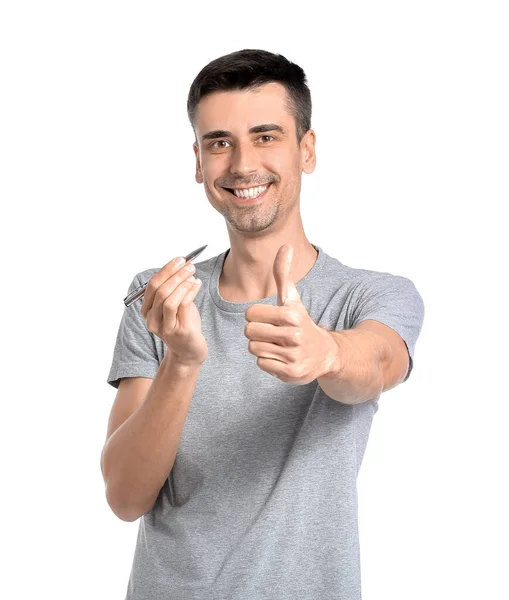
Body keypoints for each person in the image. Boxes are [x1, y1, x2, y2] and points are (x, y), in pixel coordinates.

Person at [102, 49, 425, 600]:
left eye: (267, 136)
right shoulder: (160, 297)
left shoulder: (370, 294)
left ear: (307, 150)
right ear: (199, 162)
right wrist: (182, 362)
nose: (242, 163)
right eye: (219, 142)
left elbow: (378, 362)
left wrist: (324, 353)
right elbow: (126, 497)